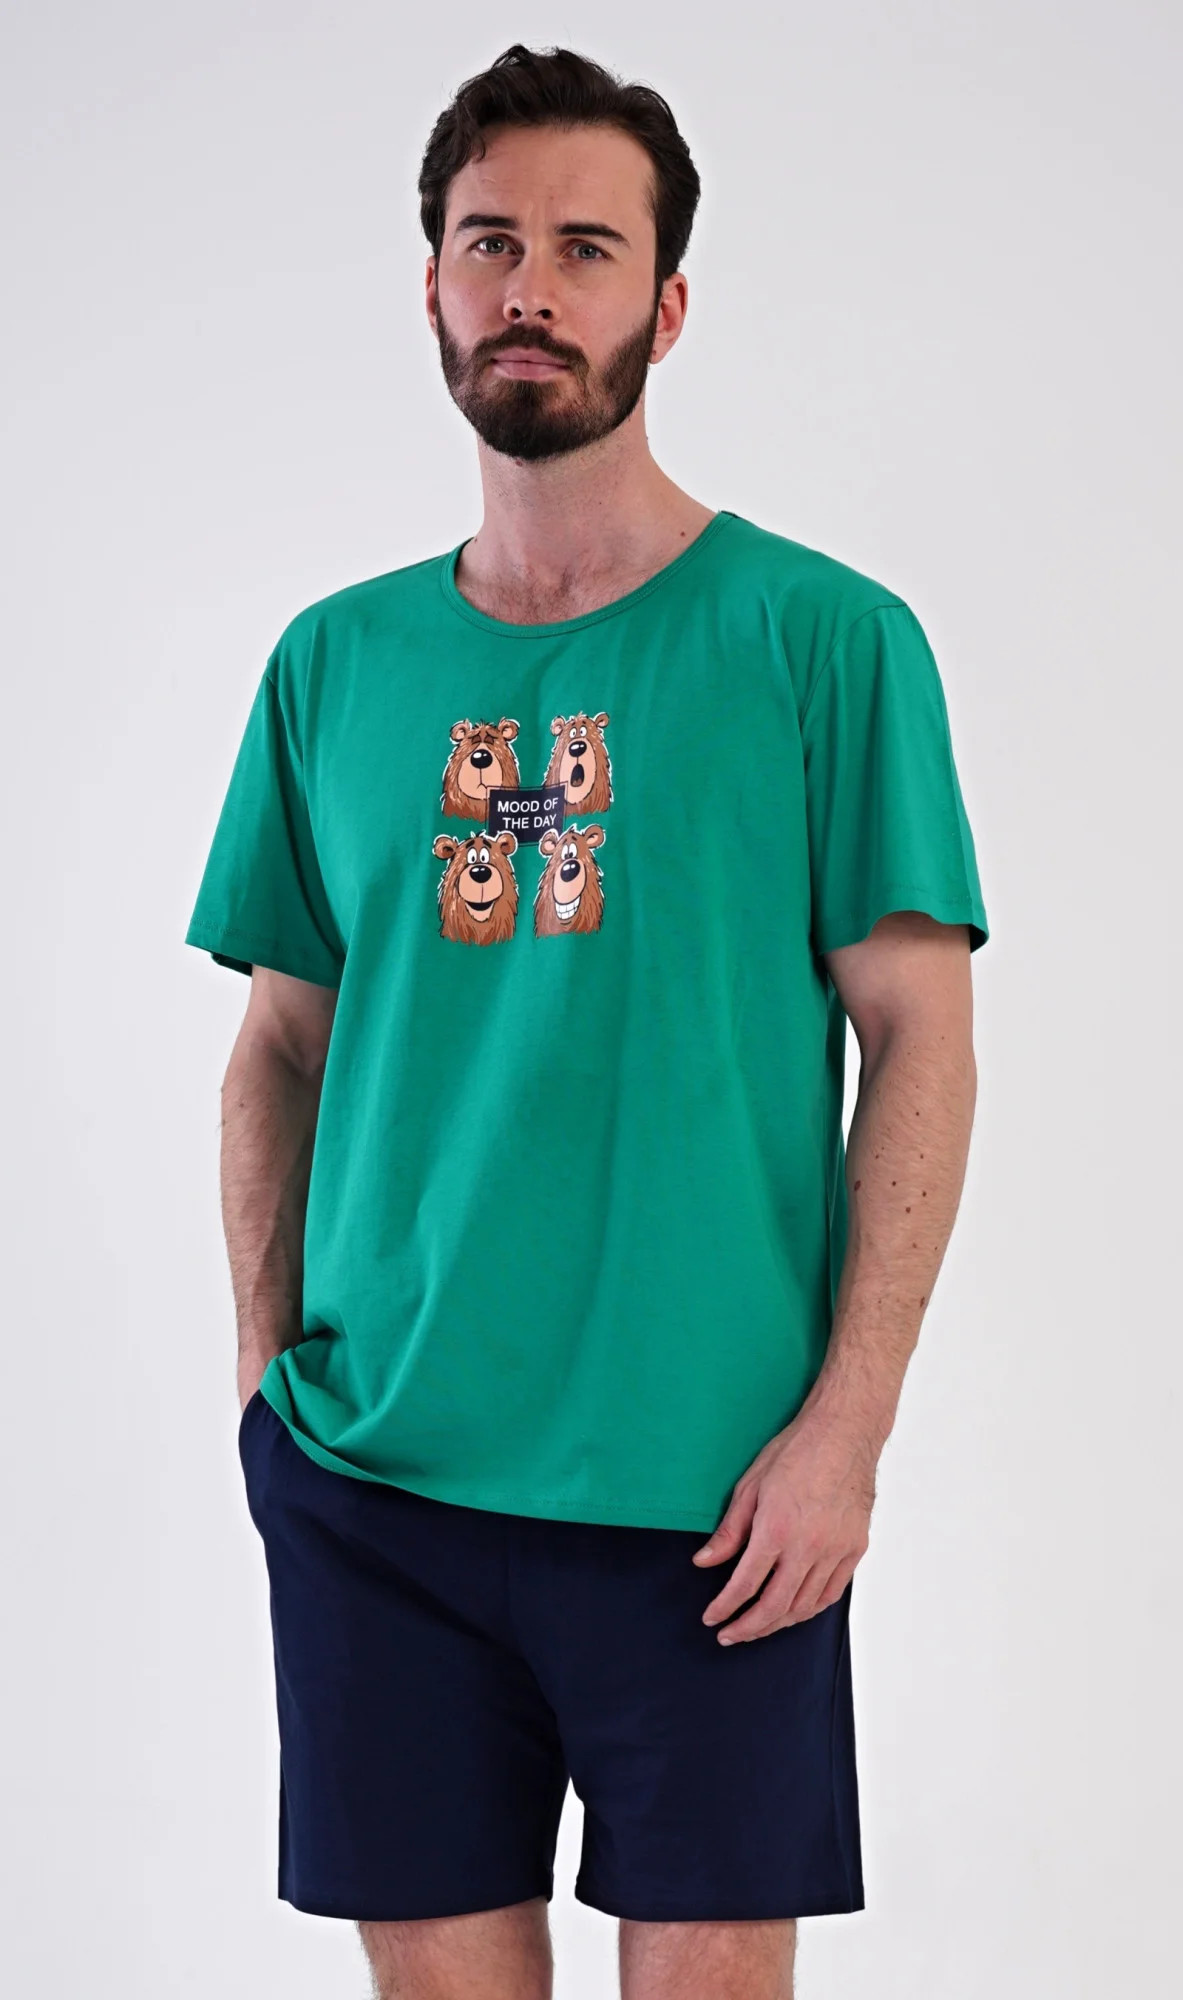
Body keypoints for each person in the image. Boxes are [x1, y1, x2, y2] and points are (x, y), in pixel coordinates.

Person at [184, 41, 989, 2000]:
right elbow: (281, 1045)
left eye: (584, 247)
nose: (529, 287)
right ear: (432, 288)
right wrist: (268, 1394)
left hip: (711, 1503)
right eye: (489, 243)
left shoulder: (824, 641)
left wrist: (846, 1433)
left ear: (668, 304)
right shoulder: (334, 664)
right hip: (378, 1485)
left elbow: (922, 1038)